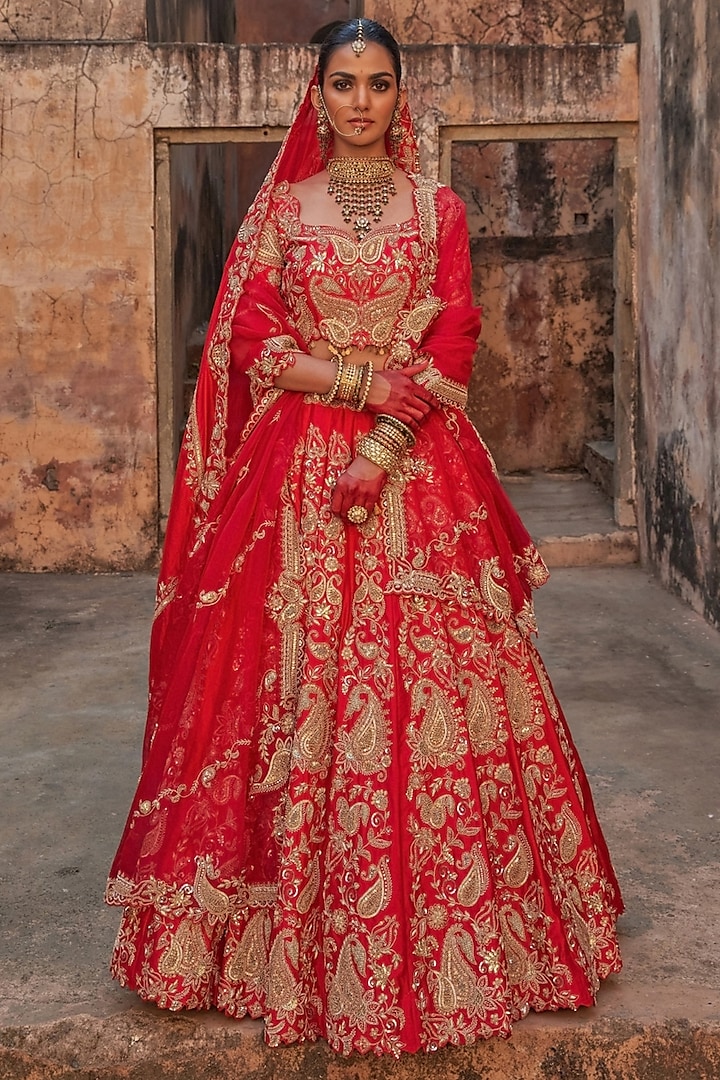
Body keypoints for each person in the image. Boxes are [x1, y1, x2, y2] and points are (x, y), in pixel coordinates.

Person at [106, 17, 622, 1056]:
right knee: (277, 686)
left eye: (377, 84)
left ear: (400, 95)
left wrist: (384, 436)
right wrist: (359, 380)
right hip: (291, 477)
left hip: (416, 466)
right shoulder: (280, 211)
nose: (359, 102)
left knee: (437, 691)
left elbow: (457, 334)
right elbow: (253, 338)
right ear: (317, 92)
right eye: (342, 84)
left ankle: (465, 943)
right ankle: (270, 946)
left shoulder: (439, 209)